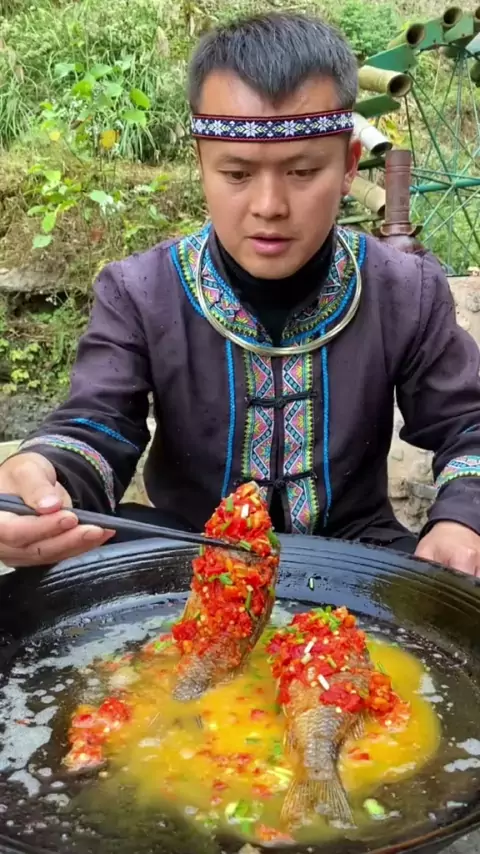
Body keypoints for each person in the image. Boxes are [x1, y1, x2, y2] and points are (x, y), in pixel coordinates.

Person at [1, 12, 480, 575]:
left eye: (302, 172)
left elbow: (468, 425)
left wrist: (463, 519)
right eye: (236, 174)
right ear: (201, 164)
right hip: (183, 553)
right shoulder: (139, 292)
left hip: (359, 559)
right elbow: (96, 423)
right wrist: (44, 476)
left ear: (350, 166)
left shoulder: (405, 290)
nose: (269, 206)